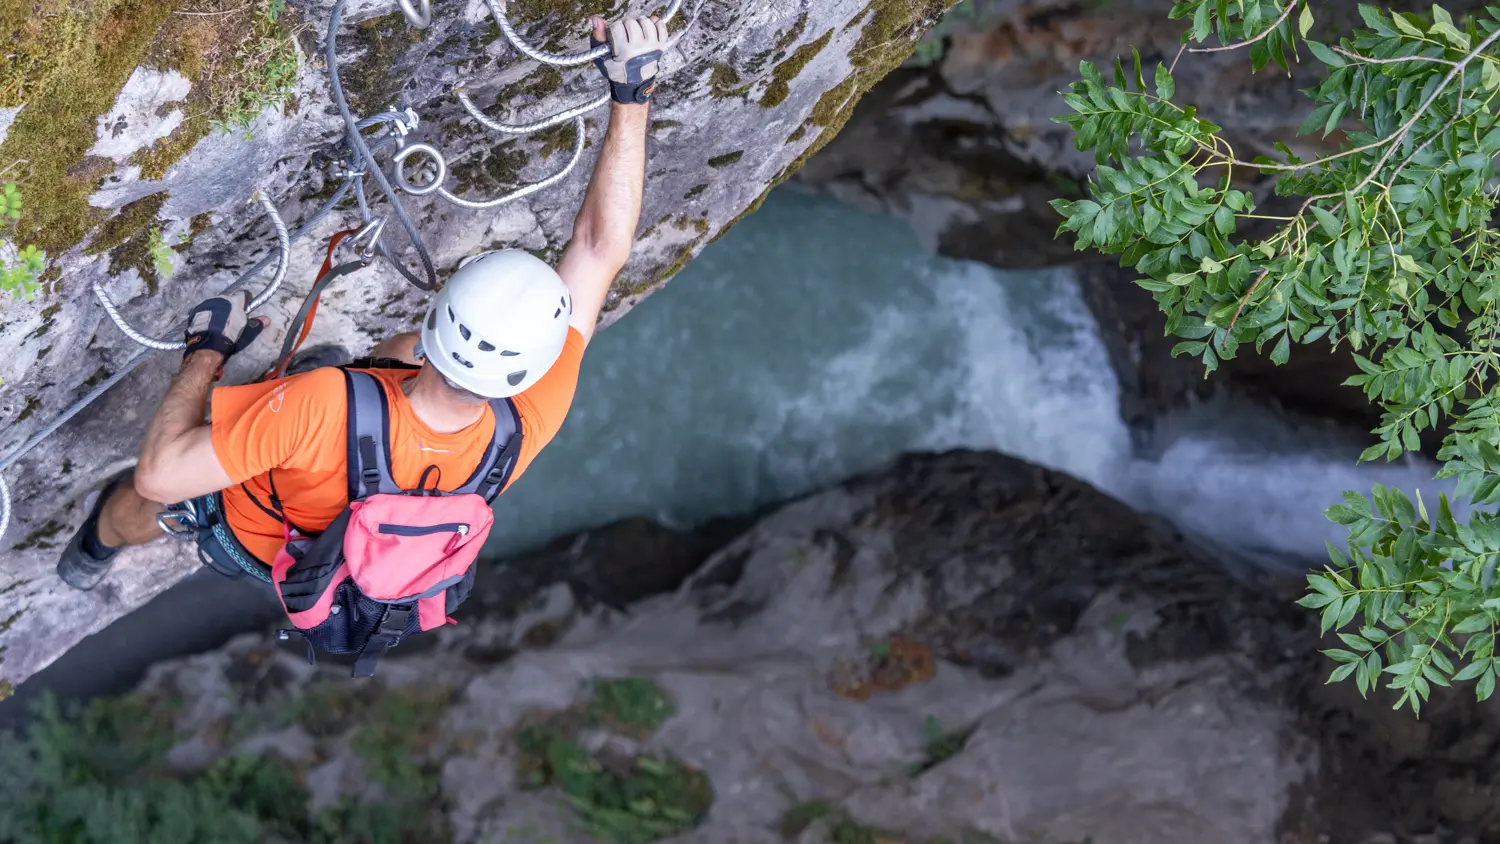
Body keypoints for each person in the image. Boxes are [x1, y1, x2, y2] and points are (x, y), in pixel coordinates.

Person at [56, 14, 670, 590]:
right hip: (339, 550)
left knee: (152, 499)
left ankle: (96, 546)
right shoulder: (530, 416)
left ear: (438, 319)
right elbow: (599, 250)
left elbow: (159, 472)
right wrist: (632, 100)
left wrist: (206, 353)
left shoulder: (320, 409)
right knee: (386, 358)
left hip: (257, 534)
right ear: (531, 366)